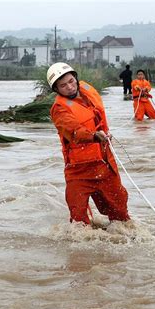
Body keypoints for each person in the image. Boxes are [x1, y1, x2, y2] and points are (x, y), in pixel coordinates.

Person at [47, 62, 130, 227]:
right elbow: (74, 131)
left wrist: (103, 135)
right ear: (57, 90)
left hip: (105, 164)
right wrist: (94, 136)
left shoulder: (87, 92)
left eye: (71, 81)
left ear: (76, 79)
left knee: (120, 214)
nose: (70, 87)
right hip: (79, 171)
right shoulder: (59, 109)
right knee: (78, 223)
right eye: (63, 85)